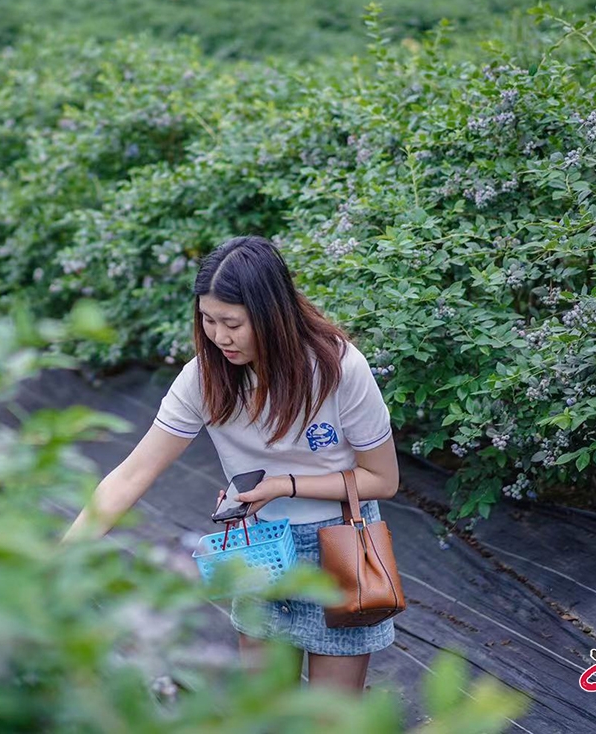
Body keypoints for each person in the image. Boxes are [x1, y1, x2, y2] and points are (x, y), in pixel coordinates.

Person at [61, 235, 401, 694]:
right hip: (258, 550)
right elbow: (131, 473)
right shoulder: (205, 376)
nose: (220, 336)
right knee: (264, 712)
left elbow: (382, 479)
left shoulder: (338, 369)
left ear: (272, 315)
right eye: (208, 320)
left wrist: (284, 485)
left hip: (340, 549)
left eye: (233, 323)